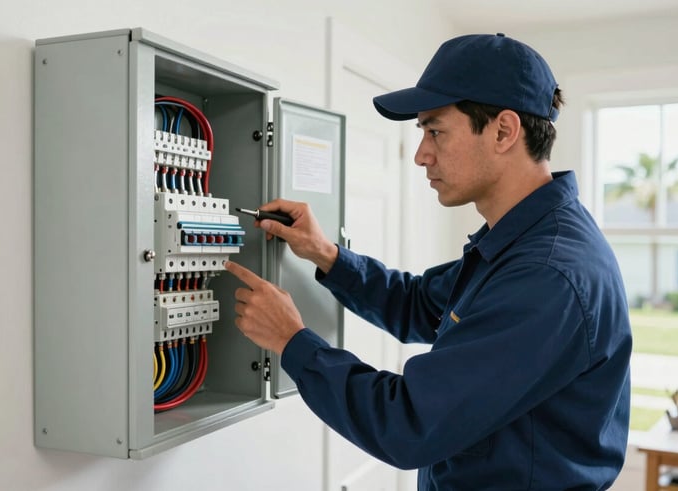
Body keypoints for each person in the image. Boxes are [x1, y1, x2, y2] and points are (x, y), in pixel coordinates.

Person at [225, 33, 632, 490]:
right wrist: (328, 255)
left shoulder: (546, 273)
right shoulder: (521, 242)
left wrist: (292, 341)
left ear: (503, 131)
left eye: (435, 130)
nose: (422, 155)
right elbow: (420, 304)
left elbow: (409, 424)